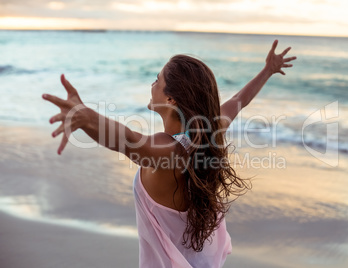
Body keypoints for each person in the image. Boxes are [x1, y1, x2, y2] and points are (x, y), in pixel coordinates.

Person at [42, 39, 296, 268]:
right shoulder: (208, 132)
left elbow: (130, 141)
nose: (152, 84)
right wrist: (267, 71)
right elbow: (239, 100)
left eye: (157, 80)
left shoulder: (172, 152)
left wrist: (86, 117)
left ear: (171, 99)